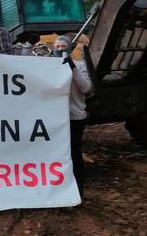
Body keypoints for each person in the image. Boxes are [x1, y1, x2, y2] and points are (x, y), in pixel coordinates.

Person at [54, 35, 92, 199]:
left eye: (64, 46)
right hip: (53, 120)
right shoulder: (46, 66)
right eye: (58, 47)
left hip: (74, 118)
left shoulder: (80, 65)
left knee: (74, 154)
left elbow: (87, 88)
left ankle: (77, 193)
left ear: (69, 49)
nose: (60, 49)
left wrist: (72, 68)